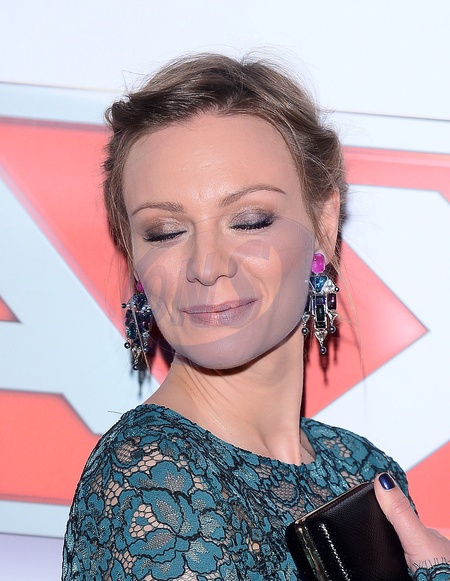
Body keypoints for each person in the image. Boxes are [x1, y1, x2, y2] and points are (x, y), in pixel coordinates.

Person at [62, 54, 450, 580]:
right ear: (134, 252)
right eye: (165, 232)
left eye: (249, 221)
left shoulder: (360, 466)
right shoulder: (153, 477)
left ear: (324, 222)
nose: (206, 266)